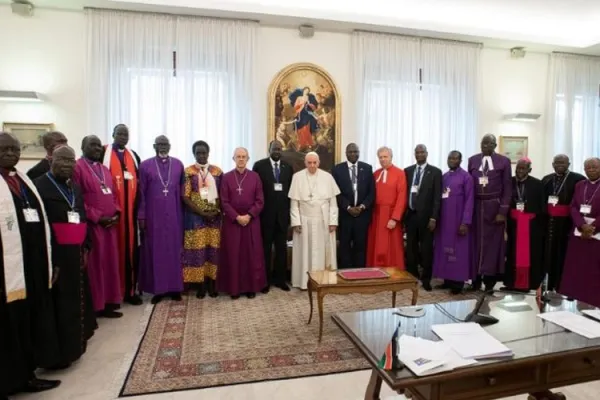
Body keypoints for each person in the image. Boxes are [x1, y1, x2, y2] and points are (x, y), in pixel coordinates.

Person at [0, 132, 61, 397]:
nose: (11, 153)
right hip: (5, 270)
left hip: (30, 265)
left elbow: (43, 221)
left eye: (15, 148)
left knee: (27, 321)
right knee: (7, 327)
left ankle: (27, 375)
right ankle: (8, 380)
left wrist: (52, 260)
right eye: (5, 149)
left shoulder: (22, 180)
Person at [34, 145, 97, 368]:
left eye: (71, 161)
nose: (67, 165)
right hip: (58, 255)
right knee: (60, 304)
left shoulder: (74, 186)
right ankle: (58, 355)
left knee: (77, 301)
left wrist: (86, 246)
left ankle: (75, 346)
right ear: (50, 159)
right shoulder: (39, 186)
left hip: (77, 251)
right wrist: (51, 260)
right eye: (62, 160)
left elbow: (80, 216)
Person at [73, 135, 122, 318]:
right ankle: (96, 306)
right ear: (82, 147)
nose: (97, 149)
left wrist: (117, 212)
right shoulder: (77, 168)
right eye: (92, 145)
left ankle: (110, 302)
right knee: (95, 266)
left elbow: (114, 195)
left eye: (98, 146)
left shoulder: (104, 169)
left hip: (110, 226)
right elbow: (77, 199)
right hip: (93, 226)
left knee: (110, 264)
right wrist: (97, 217)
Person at [138, 136, 185, 304]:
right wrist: (141, 216)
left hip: (174, 214)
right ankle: (158, 290)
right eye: (160, 144)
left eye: (165, 144)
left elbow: (182, 193)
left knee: (174, 251)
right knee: (156, 252)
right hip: (153, 216)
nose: (163, 147)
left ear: (170, 146)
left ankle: (175, 288)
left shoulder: (178, 164)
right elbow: (141, 193)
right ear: (154, 146)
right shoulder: (145, 165)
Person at [218, 148, 267, 299]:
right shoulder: (226, 177)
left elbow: (260, 200)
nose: (241, 159)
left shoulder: (255, 176)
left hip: (251, 221)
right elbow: (223, 201)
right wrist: (237, 217)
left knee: (251, 255)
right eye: (238, 157)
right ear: (233, 159)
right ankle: (234, 289)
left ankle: (251, 287)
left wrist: (249, 215)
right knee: (234, 254)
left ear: (248, 158)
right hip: (233, 222)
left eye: (243, 157)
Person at [103, 124, 142, 305]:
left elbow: (139, 185)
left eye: (126, 134)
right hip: (112, 216)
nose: (123, 137)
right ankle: (113, 294)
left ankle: (130, 291)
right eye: (119, 133)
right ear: (113, 134)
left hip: (130, 215)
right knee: (113, 253)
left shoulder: (133, 156)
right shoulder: (104, 154)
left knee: (131, 252)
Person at [289, 152, 340, 289]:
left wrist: (333, 221)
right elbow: (294, 204)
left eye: (314, 163)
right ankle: (304, 282)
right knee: (305, 252)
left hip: (323, 220)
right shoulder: (297, 177)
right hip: (304, 221)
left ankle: (323, 281)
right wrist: (296, 222)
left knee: (323, 252)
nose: (312, 165)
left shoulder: (327, 177)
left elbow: (333, 203)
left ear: (319, 163)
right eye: (309, 163)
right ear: (305, 163)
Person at [467, 134, 512, 292]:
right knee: (476, 244)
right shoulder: (472, 160)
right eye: (483, 143)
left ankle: (490, 281)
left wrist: (503, 211)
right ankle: (475, 279)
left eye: (488, 143)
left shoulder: (503, 161)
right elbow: (469, 186)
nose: (485, 146)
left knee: (493, 246)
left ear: (494, 145)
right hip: (477, 207)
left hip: (494, 207)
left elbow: (507, 187)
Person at [182, 140, 222, 298]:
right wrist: (201, 212)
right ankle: (200, 286)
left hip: (214, 218)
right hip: (195, 219)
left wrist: (216, 211)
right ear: (194, 154)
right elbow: (185, 197)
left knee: (212, 251)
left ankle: (212, 284)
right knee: (197, 252)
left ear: (208, 153)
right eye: (198, 153)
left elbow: (222, 193)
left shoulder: (217, 171)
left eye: (204, 152)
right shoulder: (188, 171)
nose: (201, 155)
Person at [252, 140, 293, 292]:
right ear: (269, 149)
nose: (277, 151)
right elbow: (254, 190)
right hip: (265, 216)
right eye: (274, 148)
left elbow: (290, 193)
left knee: (281, 250)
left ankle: (280, 280)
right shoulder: (259, 166)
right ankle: (265, 281)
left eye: (279, 148)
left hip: (282, 216)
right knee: (266, 250)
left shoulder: (287, 167)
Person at [560, 158, 600, 307]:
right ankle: (578, 297)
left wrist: (592, 227)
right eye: (587, 168)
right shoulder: (579, 185)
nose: (591, 170)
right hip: (579, 232)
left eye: (594, 167)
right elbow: (574, 207)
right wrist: (582, 225)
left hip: (597, 234)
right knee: (577, 267)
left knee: (594, 270)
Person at [542, 154, 585, 291]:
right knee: (548, 253)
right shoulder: (547, 179)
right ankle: (548, 285)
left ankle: (563, 285)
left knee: (564, 254)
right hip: (548, 221)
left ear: (569, 164)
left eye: (563, 162)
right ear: (553, 164)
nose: (560, 165)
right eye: (557, 162)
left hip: (567, 223)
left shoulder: (578, 179)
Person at [433, 151, 474, 294]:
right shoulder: (444, 177)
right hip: (444, 221)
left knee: (458, 252)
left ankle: (458, 283)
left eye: (455, 158)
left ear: (460, 160)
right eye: (450, 158)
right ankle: (447, 280)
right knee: (444, 250)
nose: (452, 160)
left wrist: (465, 222)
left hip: (458, 221)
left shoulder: (466, 177)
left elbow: (469, 201)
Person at [503, 158, 545, 291]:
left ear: (529, 170)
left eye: (523, 168)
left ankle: (529, 283)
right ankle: (511, 283)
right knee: (511, 253)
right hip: (513, 224)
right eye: (518, 168)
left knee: (531, 254)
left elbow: (542, 205)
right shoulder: (509, 181)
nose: (520, 171)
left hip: (531, 226)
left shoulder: (537, 184)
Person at [404, 144, 442, 291]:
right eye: (417, 152)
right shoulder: (407, 171)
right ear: (414, 154)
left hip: (427, 218)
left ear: (427, 153)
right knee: (410, 249)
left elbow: (437, 198)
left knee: (426, 249)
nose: (419, 155)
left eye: (422, 152)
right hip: (410, 216)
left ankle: (426, 279)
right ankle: (412, 277)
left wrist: (434, 218)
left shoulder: (435, 172)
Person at [332, 143, 375, 268]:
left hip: (362, 215)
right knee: (344, 245)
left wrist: (362, 207)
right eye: (350, 152)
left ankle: (359, 272)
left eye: (355, 151)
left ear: (359, 152)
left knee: (360, 245)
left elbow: (371, 192)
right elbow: (336, 192)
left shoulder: (367, 168)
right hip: (345, 214)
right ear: (346, 153)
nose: (353, 154)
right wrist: (348, 207)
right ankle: (345, 272)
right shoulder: (337, 169)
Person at [366, 147, 407, 269]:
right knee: (376, 244)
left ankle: (392, 272)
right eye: (380, 157)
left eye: (385, 157)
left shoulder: (400, 173)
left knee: (391, 246)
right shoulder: (375, 174)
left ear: (391, 157)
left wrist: (395, 218)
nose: (383, 159)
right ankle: (376, 270)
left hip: (390, 214)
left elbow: (402, 197)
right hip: (376, 215)